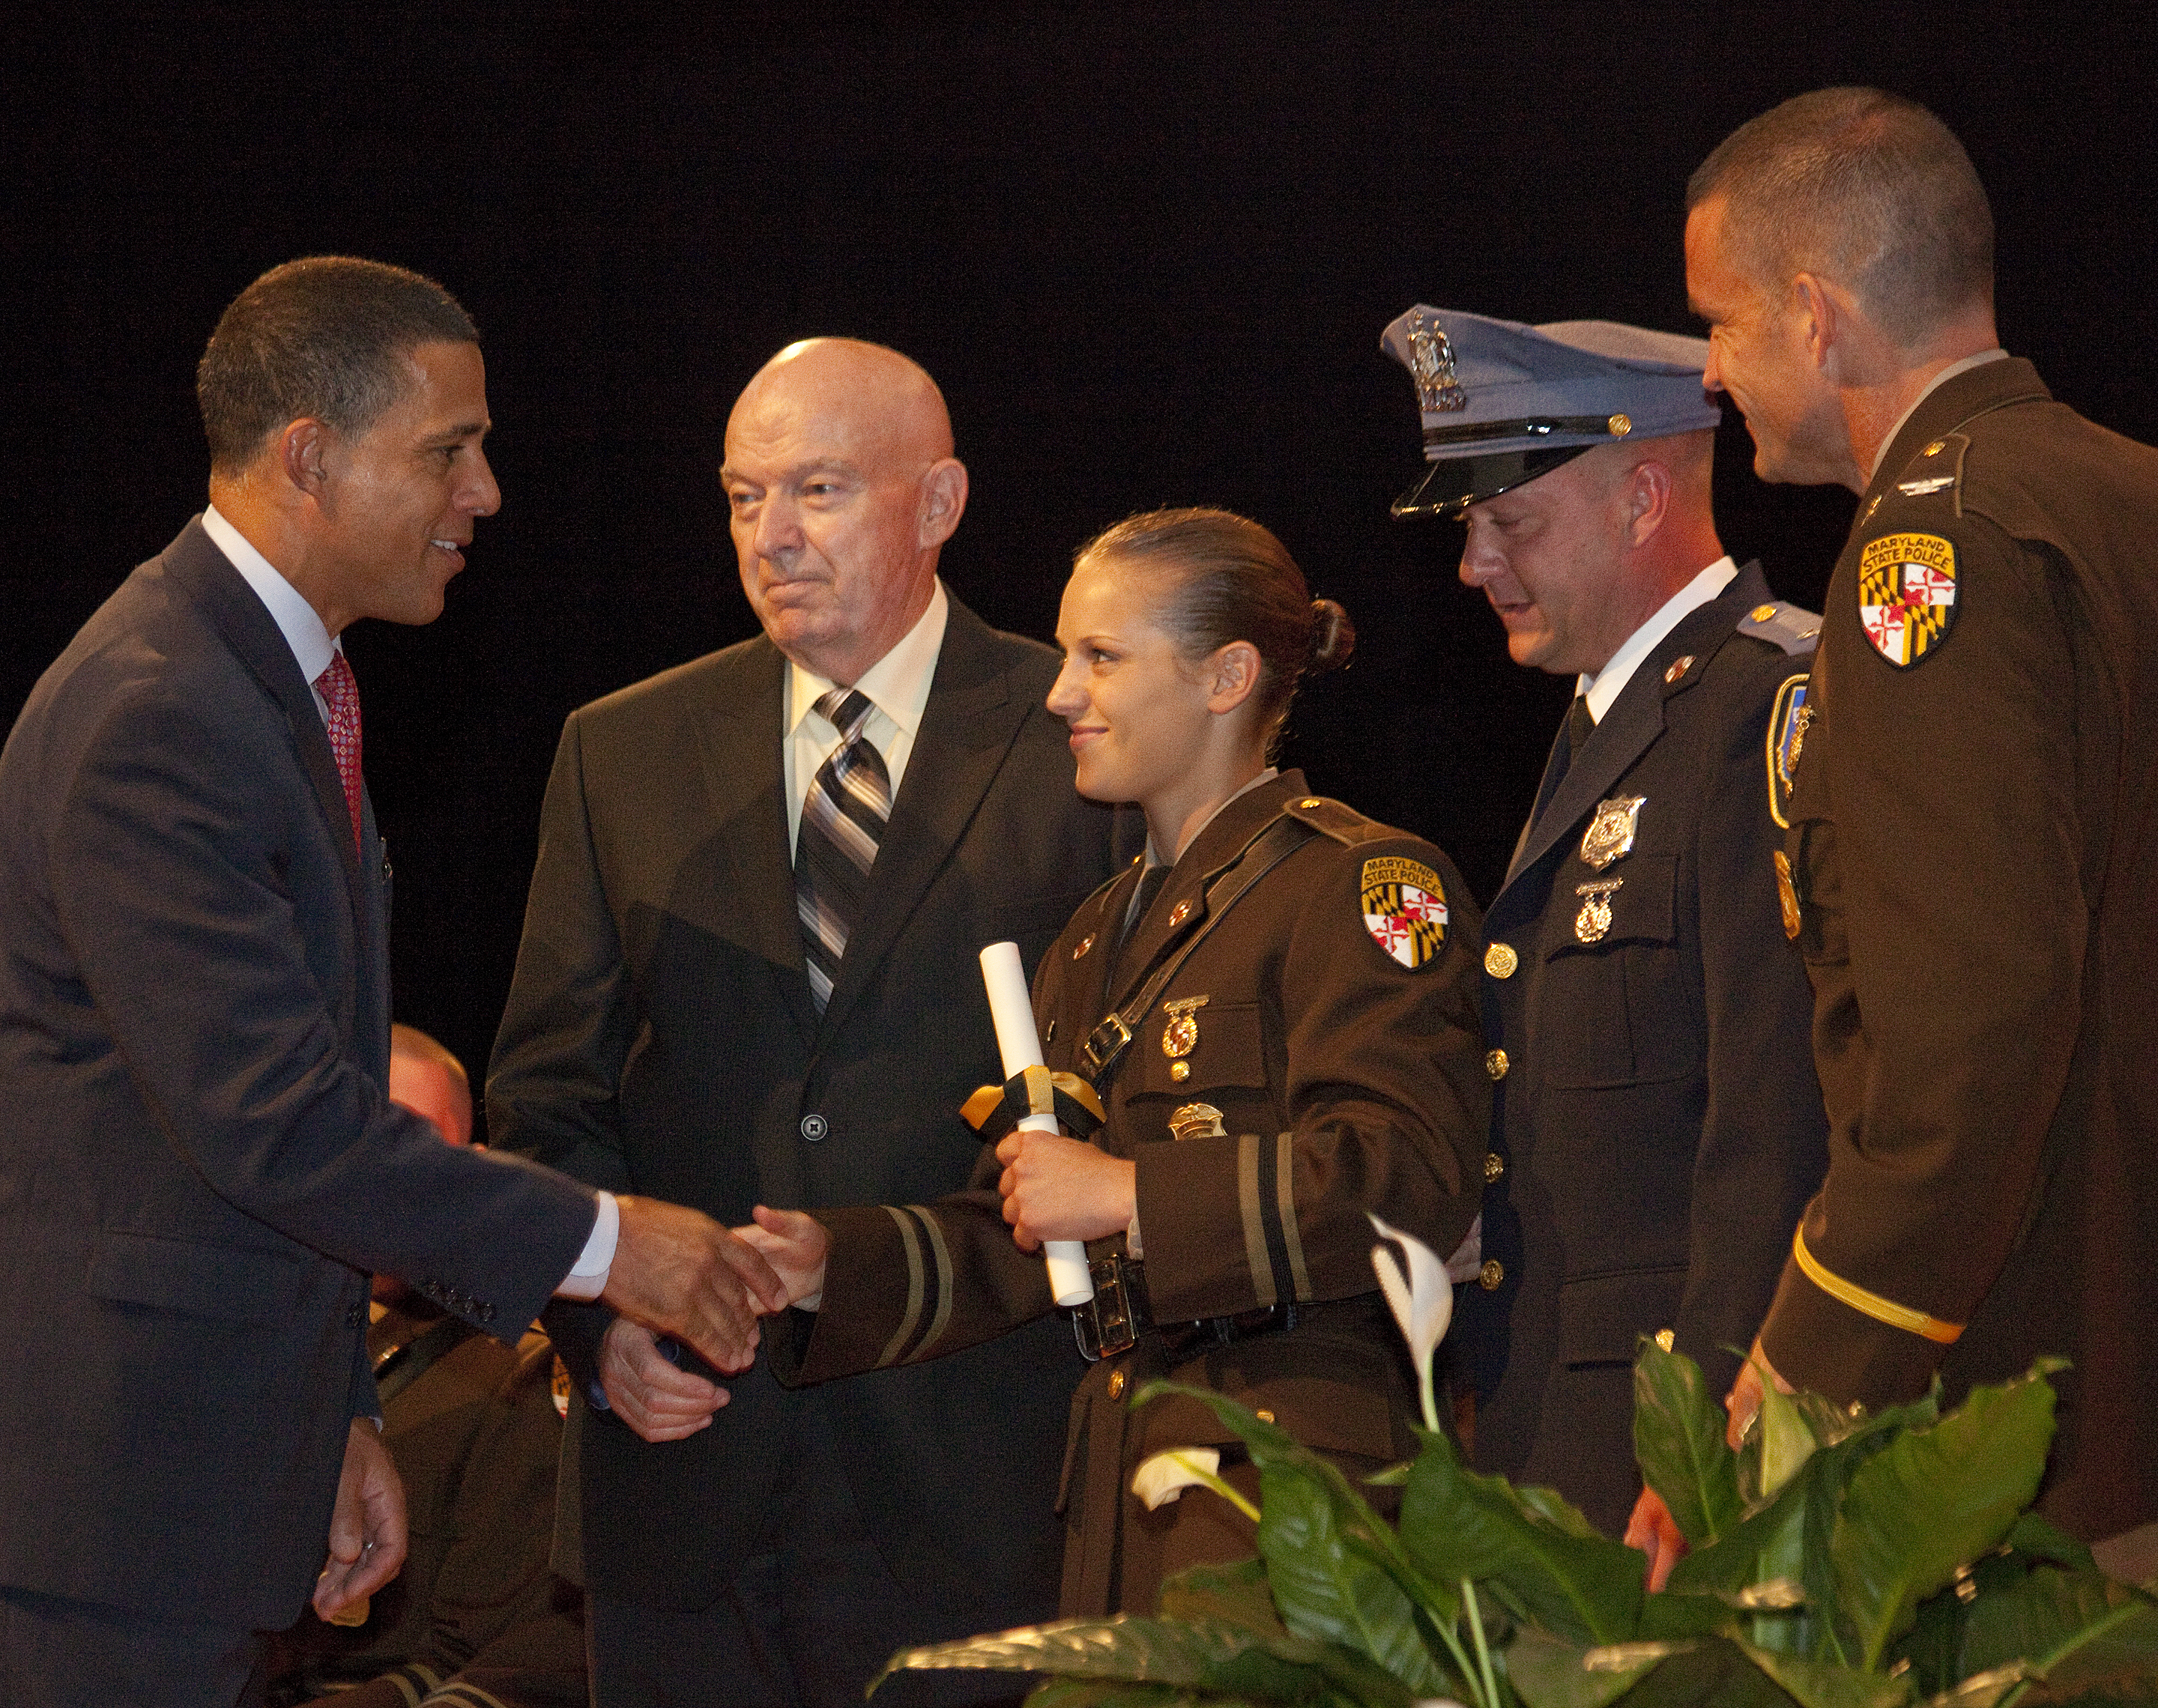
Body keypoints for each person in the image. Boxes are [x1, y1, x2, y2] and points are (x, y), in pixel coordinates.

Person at [0, 256, 785, 1708]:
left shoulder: (274, 693)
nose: (484, 493)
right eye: (449, 450)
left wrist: (335, 1415)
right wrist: (612, 1244)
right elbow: (276, 1120)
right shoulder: (161, 708)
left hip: (196, 1485)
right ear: (310, 454)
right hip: (113, 1513)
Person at [485, 337, 1131, 1706]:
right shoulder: (622, 747)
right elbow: (547, 1097)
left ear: (939, 502)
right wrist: (603, 1325)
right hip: (685, 1480)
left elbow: (1118, 1099)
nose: (772, 537)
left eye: (821, 490)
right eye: (741, 497)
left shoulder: (1083, 735)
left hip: (979, 1487)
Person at [744, 506, 1489, 1617]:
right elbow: (1038, 1234)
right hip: (1124, 1488)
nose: (1059, 694)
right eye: (1065, 657)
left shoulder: (1364, 884)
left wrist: (1134, 1193)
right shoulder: (1097, 934)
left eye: (1102, 657)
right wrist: (829, 1268)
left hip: (1301, 1495)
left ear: (1226, 676)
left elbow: (1405, 1180)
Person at [1684, 88, 2158, 1568]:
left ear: (1820, 319)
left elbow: (1971, 1036)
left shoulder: (1923, 558)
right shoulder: (2126, 492)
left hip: (2047, 1449)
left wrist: (1803, 1381)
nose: (1712, 371)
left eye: (1724, 321)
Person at [1379, 308, 1829, 1557]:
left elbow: (1775, 1130)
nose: (1475, 565)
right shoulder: (1607, 725)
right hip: (1553, 1433)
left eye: (1508, 521)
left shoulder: (1761, 709)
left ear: (1643, 494)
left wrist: (1711, 1447)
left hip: (1671, 1456)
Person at [265, 1025, 584, 1708]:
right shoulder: (254, 1339)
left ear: (465, 1170)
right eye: (355, 1137)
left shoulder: (517, 1378)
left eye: (404, 1143)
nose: (375, 1173)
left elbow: (484, 1661)